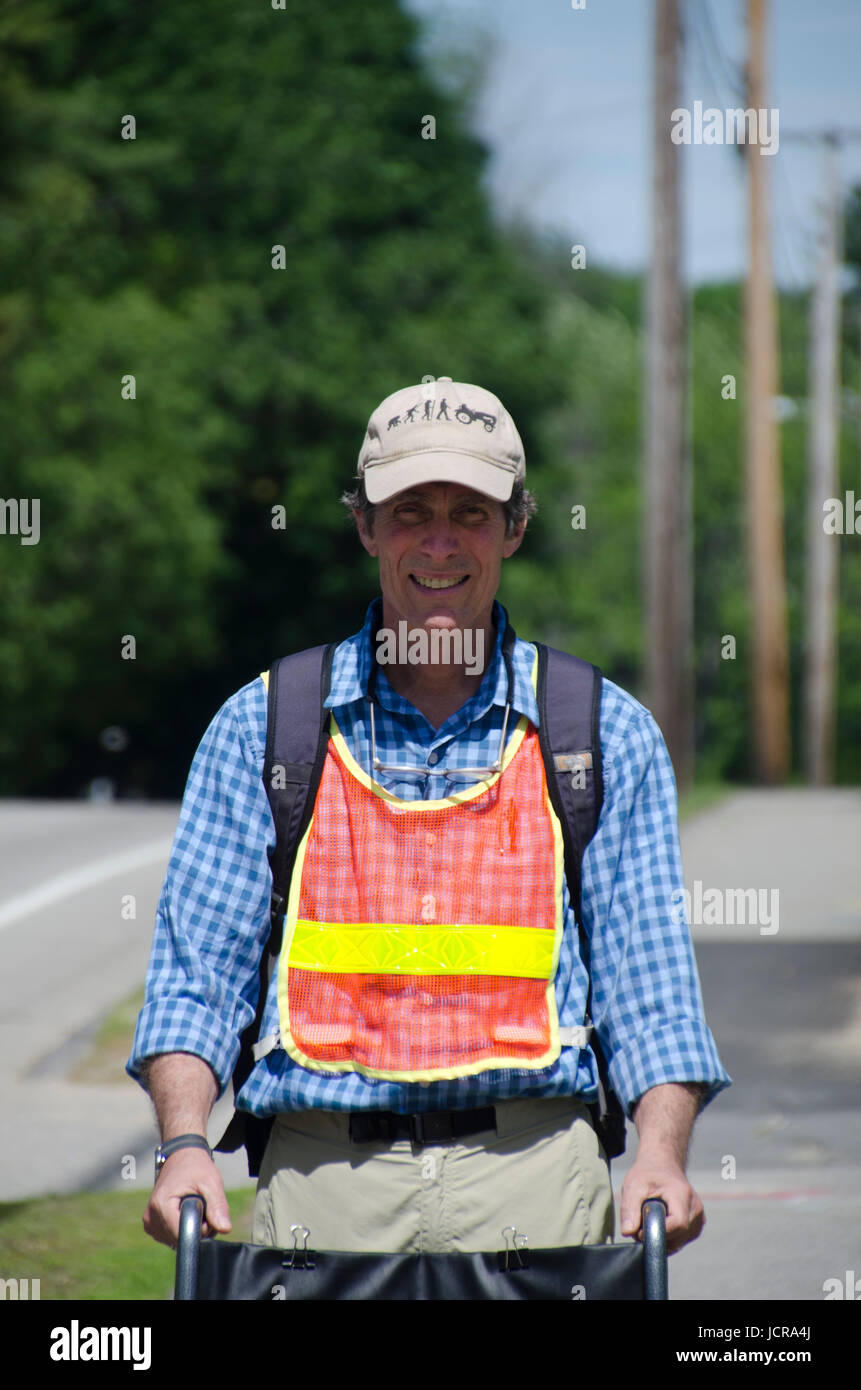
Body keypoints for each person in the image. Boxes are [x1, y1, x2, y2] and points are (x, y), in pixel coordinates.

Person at [127, 376, 731, 1259]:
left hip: (537, 1176)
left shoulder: (599, 733)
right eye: (410, 511)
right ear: (364, 526)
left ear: (514, 528)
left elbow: (651, 989)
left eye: (470, 513)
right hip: (324, 1184)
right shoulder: (265, 727)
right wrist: (183, 1145)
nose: (440, 541)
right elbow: (196, 980)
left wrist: (661, 1156)